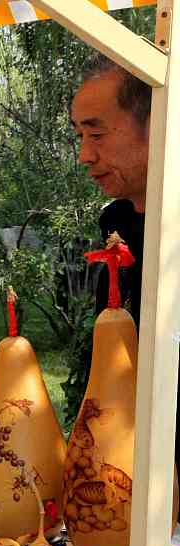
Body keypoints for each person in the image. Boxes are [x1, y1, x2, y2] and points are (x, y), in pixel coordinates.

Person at [71, 57, 179, 491]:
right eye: (79, 136)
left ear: (158, 123)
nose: (84, 155)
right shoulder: (115, 223)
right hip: (123, 473)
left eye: (96, 134)